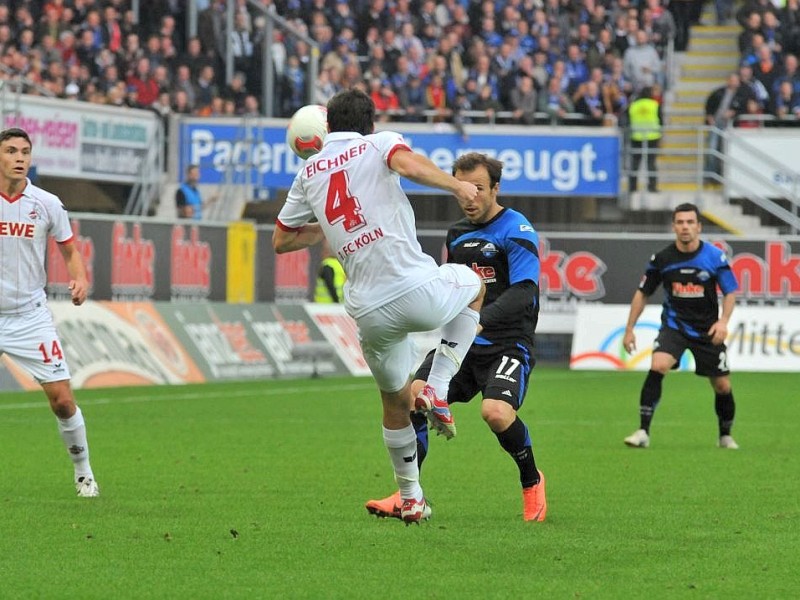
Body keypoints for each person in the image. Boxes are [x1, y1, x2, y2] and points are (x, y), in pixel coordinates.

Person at [272, 89, 485, 524]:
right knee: (477, 284)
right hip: (415, 289)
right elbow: (407, 163)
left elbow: (281, 240)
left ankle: (411, 498)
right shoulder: (380, 142)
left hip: (369, 312)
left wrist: (325, 230)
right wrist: (457, 184)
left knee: (394, 402)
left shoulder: (308, 172)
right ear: (370, 123)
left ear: (327, 127)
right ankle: (439, 385)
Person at [365, 153, 547, 522]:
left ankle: (532, 481)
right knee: (414, 396)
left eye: (479, 188)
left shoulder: (517, 228)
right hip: (460, 345)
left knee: (495, 413)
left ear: (496, 188)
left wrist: (481, 320)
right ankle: (407, 495)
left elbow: (525, 290)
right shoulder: (457, 234)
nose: (470, 196)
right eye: (463, 188)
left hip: (508, 343)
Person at [0, 128, 99, 497]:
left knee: (62, 400)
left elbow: (70, 250)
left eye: (25, 151)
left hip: (29, 316)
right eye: (11, 151)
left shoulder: (47, 203)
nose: (19, 157)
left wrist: (80, 279)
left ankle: (84, 472)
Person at [622, 203, 740, 450]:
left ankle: (725, 435)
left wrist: (723, 322)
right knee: (658, 365)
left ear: (698, 226)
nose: (685, 227)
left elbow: (730, 292)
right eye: (680, 222)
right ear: (674, 226)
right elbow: (642, 293)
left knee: (722, 385)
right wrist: (629, 328)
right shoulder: (662, 259)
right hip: (674, 327)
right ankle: (643, 431)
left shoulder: (714, 257)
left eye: (690, 222)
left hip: (708, 330)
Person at [627, 86, 663, 193]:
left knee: (635, 163)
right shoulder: (655, 105)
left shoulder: (633, 105)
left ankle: (632, 187)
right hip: (652, 137)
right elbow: (661, 122)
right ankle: (652, 186)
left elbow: (628, 119)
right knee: (651, 163)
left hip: (636, 136)